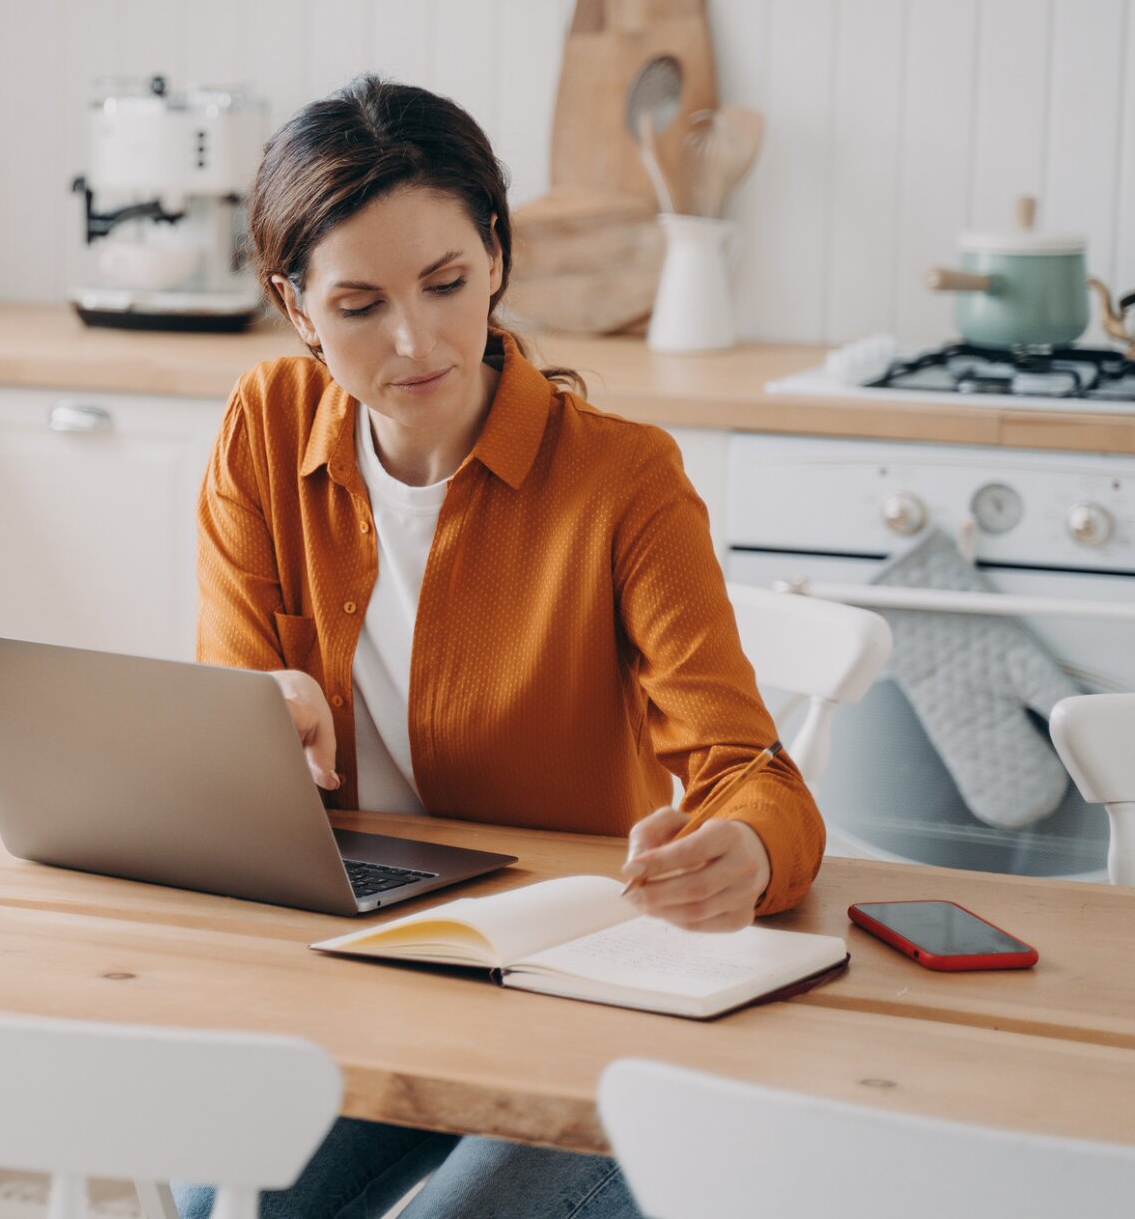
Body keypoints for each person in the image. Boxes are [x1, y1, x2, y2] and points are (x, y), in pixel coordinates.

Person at [175, 76, 826, 1219]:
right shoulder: (263, 428)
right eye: (358, 304)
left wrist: (743, 851)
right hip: (352, 958)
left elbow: (751, 775)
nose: (415, 340)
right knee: (217, 1200)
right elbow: (228, 731)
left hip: (579, 986)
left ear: (496, 258)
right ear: (294, 307)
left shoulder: (624, 481)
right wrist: (263, 703)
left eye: (445, 284)